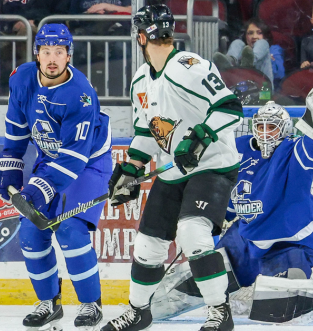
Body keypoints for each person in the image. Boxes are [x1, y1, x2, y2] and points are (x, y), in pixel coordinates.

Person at [147, 82, 313, 324]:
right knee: (199, 280)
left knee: (278, 309)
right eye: (261, 126)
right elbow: (222, 194)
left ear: (285, 131)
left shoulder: (292, 151)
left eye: (272, 127)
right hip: (245, 240)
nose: (266, 132)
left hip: (289, 243)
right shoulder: (237, 150)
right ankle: (147, 305)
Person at [103, 4, 243, 331]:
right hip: (173, 170)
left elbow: (230, 108)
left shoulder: (187, 65)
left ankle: (220, 311)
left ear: (139, 36)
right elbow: (146, 133)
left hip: (213, 165)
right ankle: (139, 311)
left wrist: (198, 139)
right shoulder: (141, 80)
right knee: (148, 244)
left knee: (192, 232)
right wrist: (131, 168)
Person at [0, 23, 112, 331]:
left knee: (70, 230)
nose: (52, 59)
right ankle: (49, 302)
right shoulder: (21, 79)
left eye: (59, 52)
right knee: (31, 234)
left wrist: (39, 188)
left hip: (87, 164)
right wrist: (11, 160)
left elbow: (74, 157)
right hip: (51, 159)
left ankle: (90, 305)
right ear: (37, 53)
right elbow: (17, 124)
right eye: (46, 52)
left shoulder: (81, 95)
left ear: (69, 55)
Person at [212, 17, 285, 88]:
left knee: (263, 43)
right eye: (250, 33)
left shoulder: (274, 49)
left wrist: (268, 59)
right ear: (245, 36)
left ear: (265, 35)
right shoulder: (241, 50)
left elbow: (280, 74)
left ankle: (252, 60)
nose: (254, 36)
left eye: (259, 33)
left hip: (264, 91)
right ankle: (229, 63)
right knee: (238, 42)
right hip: (243, 91)